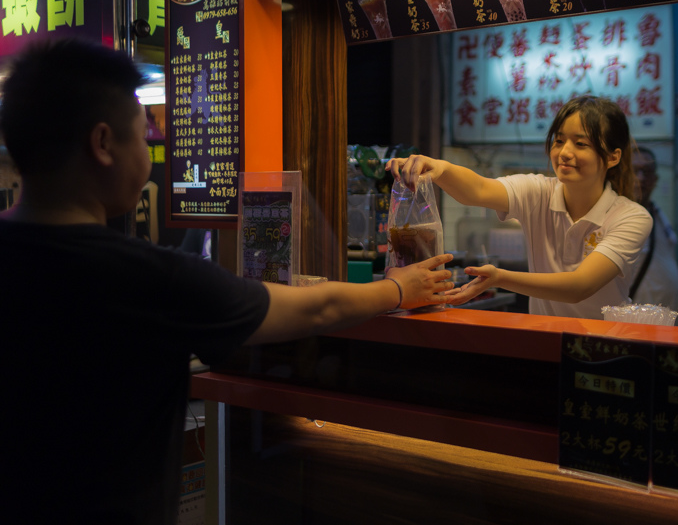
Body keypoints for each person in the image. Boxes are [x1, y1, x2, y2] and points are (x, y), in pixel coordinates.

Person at [0, 38, 453, 524]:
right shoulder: (150, 280)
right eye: (145, 135)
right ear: (104, 143)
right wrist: (399, 289)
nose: (152, 148)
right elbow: (312, 309)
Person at [388, 95, 653, 319]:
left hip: (604, 348)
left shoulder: (631, 216)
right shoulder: (538, 191)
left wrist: (501, 277)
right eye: (559, 141)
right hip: (544, 340)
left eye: (580, 143)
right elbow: (478, 190)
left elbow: (579, 286)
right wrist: (440, 168)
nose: (564, 152)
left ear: (612, 156)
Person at [628, 147, 678, 325]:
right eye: (634, 171)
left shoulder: (658, 214)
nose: (640, 178)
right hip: (639, 326)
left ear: (655, 180)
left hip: (671, 323)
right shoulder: (616, 218)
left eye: (646, 172)